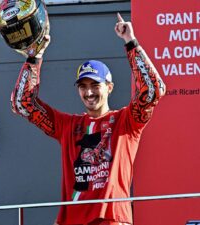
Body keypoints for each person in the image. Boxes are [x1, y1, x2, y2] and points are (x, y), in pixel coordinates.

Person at [10, 13, 166, 225]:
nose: (89, 92)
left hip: (111, 220)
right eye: (83, 86)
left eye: (95, 85)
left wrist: (131, 42)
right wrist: (34, 56)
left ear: (109, 88)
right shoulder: (68, 125)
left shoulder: (127, 122)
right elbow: (22, 102)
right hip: (70, 221)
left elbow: (154, 90)